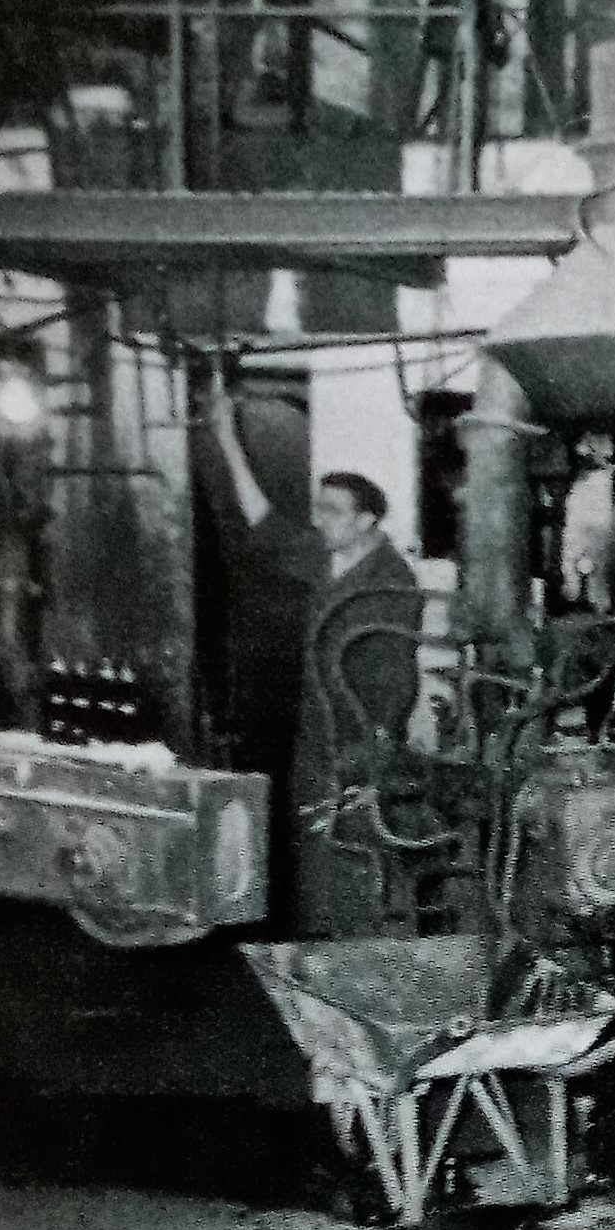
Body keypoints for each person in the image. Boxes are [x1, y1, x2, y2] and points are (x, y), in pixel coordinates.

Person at [206, 374, 423, 936]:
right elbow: (264, 522)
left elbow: (396, 679)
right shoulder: (325, 557)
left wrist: (374, 756)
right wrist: (227, 439)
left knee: (357, 863)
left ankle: (360, 956)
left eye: (332, 511)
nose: (319, 519)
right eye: (319, 509)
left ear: (366, 520)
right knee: (313, 864)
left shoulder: (391, 581)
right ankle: (314, 954)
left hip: (357, 745)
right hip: (314, 740)